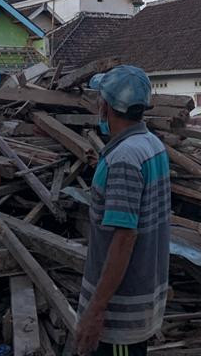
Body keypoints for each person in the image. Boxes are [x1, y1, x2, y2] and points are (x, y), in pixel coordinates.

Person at [75, 65, 170, 356]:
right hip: (138, 302)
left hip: (119, 318)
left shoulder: (125, 159)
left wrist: (95, 312)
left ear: (105, 106)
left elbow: (124, 238)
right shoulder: (152, 145)